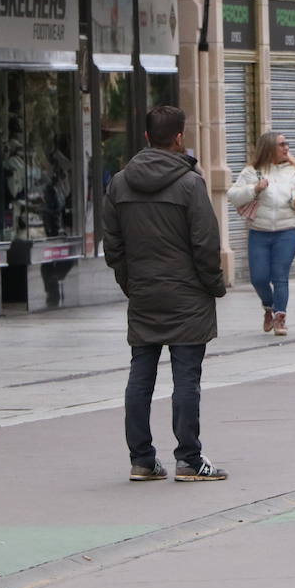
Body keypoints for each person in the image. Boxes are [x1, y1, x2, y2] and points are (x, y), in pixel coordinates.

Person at [101, 105, 228, 482]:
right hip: (187, 295)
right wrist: (213, 285)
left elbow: (113, 246)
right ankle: (189, 459)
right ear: (179, 137)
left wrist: (131, 284)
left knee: (140, 376)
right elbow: (206, 243)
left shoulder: (120, 183)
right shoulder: (190, 184)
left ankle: (142, 459)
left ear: (144, 137)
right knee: (186, 378)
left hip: (144, 294)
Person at [228, 132, 295, 336]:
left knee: (280, 276)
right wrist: (254, 189)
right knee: (259, 278)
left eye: (286, 143)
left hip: (286, 231)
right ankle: (268, 307)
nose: (286, 148)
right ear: (269, 147)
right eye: (281, 144)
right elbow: (233, 196)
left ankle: (280, 318)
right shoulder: (252, 171)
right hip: (259, 233)